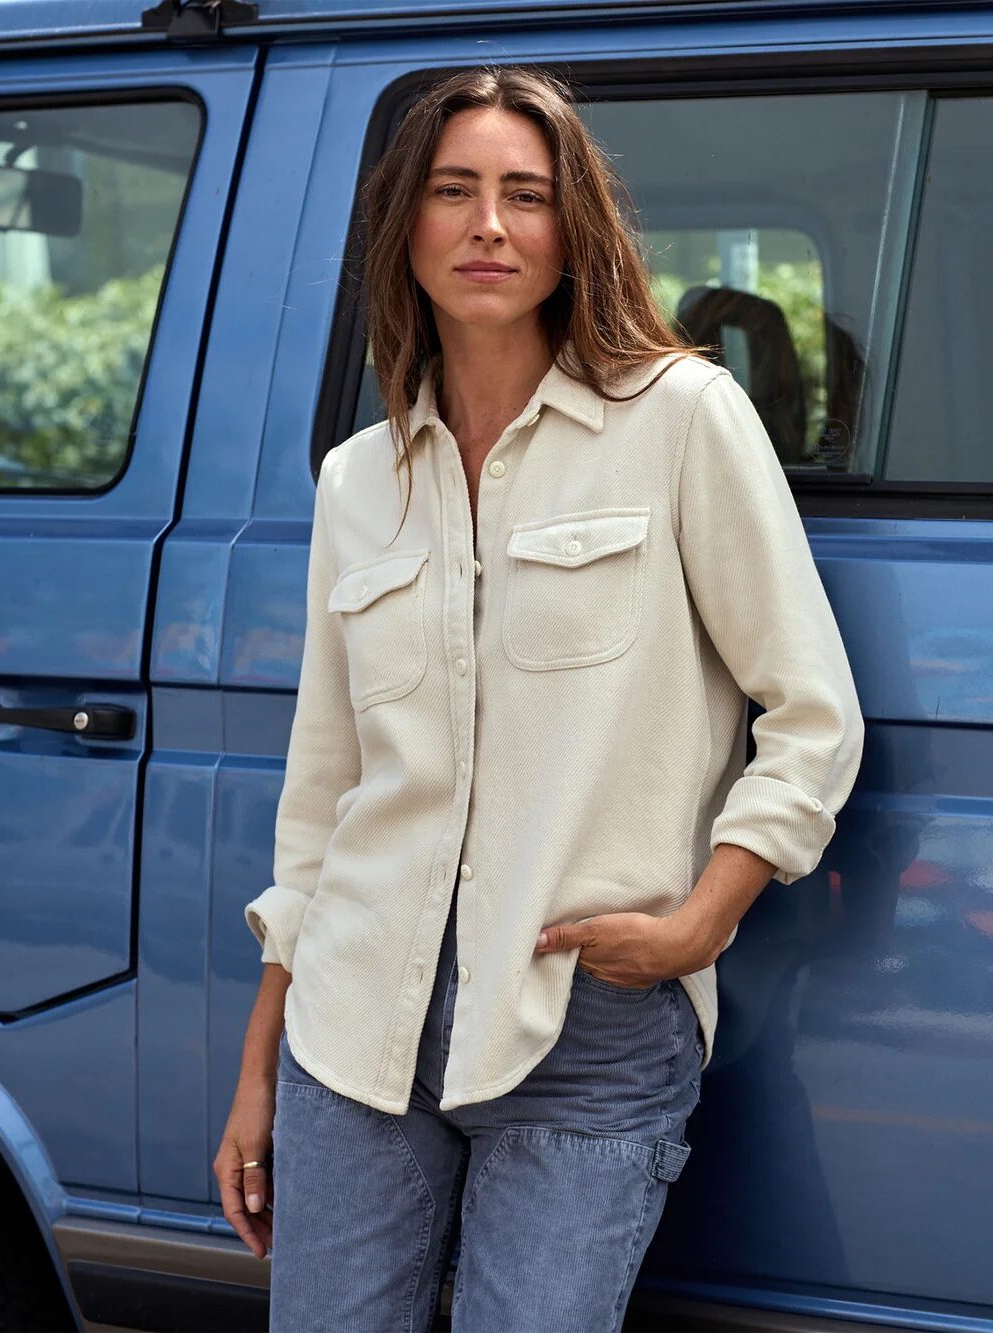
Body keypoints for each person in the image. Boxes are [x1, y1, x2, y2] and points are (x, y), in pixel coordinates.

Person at [214, 64, 865, 1332]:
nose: (490, 226)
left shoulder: (680, 419)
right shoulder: (358, 480)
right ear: (404, 226)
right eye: (453, 192)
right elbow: (326, 799)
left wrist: (696, 929)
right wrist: (260, 1075)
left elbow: (811, 713)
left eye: (527, 194)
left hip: (586, 1020)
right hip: (355, 1030)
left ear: (575, 231)